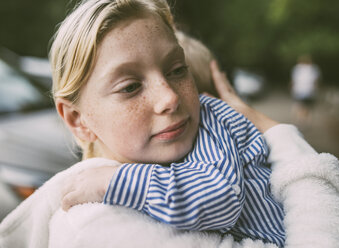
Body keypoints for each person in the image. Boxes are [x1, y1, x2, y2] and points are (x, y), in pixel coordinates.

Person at [51, 1, 285, 245]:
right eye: (130, 87)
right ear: (77, 120)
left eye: (177, 70)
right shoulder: (94, 225)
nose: (170, 98)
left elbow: (221, 200)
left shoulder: (211, 121)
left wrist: (117, 180)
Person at [290, 54, 321, 124]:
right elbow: (316, 81)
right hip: (309, 91)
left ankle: (301, 119)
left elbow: (293, 80)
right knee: (307, 106)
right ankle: (306, 119)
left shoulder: (297, 68)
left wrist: (292, 88)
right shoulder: (313, 68)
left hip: (298, 90)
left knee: (300, 105)